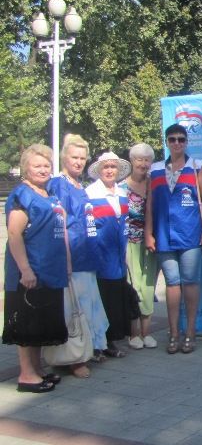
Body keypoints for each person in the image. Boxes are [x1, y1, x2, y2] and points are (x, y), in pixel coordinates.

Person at [3, 144, 68, 393]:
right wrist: (26, 270)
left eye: (46, 165)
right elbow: (14, 234)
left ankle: (37, 369)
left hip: (49, 271)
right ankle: (26, 375)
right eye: (37, 165)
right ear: (25, 168)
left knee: (40, 323)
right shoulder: (23, 195)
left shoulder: (47, 192)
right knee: (28, 324)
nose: (43, 169)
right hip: (30, 273)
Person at [145, 123, 202, 354]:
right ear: (166, 142)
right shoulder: (155, 170)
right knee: (172, 283)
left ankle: (190, 332)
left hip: (190, 234)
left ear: (186, 142)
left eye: (181, 139)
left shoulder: (196, 167)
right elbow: (150, 204)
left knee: (190, 282)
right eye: (172, 139)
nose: (177, 143)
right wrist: (148, 233)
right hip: (164, 235)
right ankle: (173, 333)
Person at [48, 134, 109, 377]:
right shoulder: (58, 184)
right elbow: (58, 222)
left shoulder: (78, 184)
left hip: (87, 254)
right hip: (71, 255)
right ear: (64, 157)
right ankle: (73, 358)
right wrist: (64, 257)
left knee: (87, 307)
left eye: (82, 158)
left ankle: (86, 350)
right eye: (74, 157)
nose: (78, 162)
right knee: (73, 309)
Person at [86, 151, 132, 358]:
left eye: (113, 167)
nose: (110, 170)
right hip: (100, 256)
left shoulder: (122, 193)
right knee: (100, 300)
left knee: (114, 300)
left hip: (118, 257)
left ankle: (110, 341)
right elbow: (89, 227)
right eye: (106, 167)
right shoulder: (90, 193)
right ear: (99, 170)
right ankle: (97, 344)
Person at [119, 143, 158, 350]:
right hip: (130, 242)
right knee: (134, 286)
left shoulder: (155, 184)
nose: (143, 164)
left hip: (151, 242)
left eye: (147, 160)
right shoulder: (121, 188)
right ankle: (133, 334)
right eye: (139, 159)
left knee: (149, 285)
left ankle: (146, 332)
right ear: (132, 160)